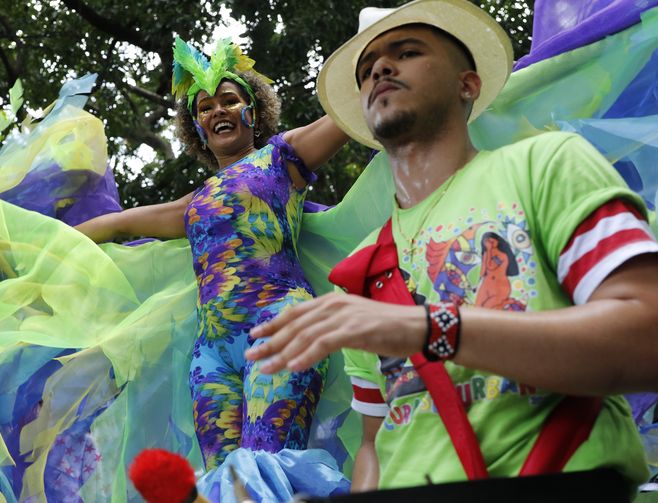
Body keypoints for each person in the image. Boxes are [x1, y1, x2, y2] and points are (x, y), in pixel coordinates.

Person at [246, 0, 658, 496]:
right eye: (367, 68)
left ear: (468, 84)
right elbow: (376, 440)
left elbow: (646, 334)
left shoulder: (546, 163)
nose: (379, 67)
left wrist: (427, 327)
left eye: (408, 51)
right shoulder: (360, 272)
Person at [77, 37, 350, 476]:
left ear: (253, 112)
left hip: (280, 326)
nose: (217, 111)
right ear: (198, 128)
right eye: (204, 108)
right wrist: (19, 251)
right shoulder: (192, 203)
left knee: (266, 466)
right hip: (212, 355)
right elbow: (117, 224)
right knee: (219, 480)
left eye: (229, 100)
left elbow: (348, 113)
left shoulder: (282, 159)